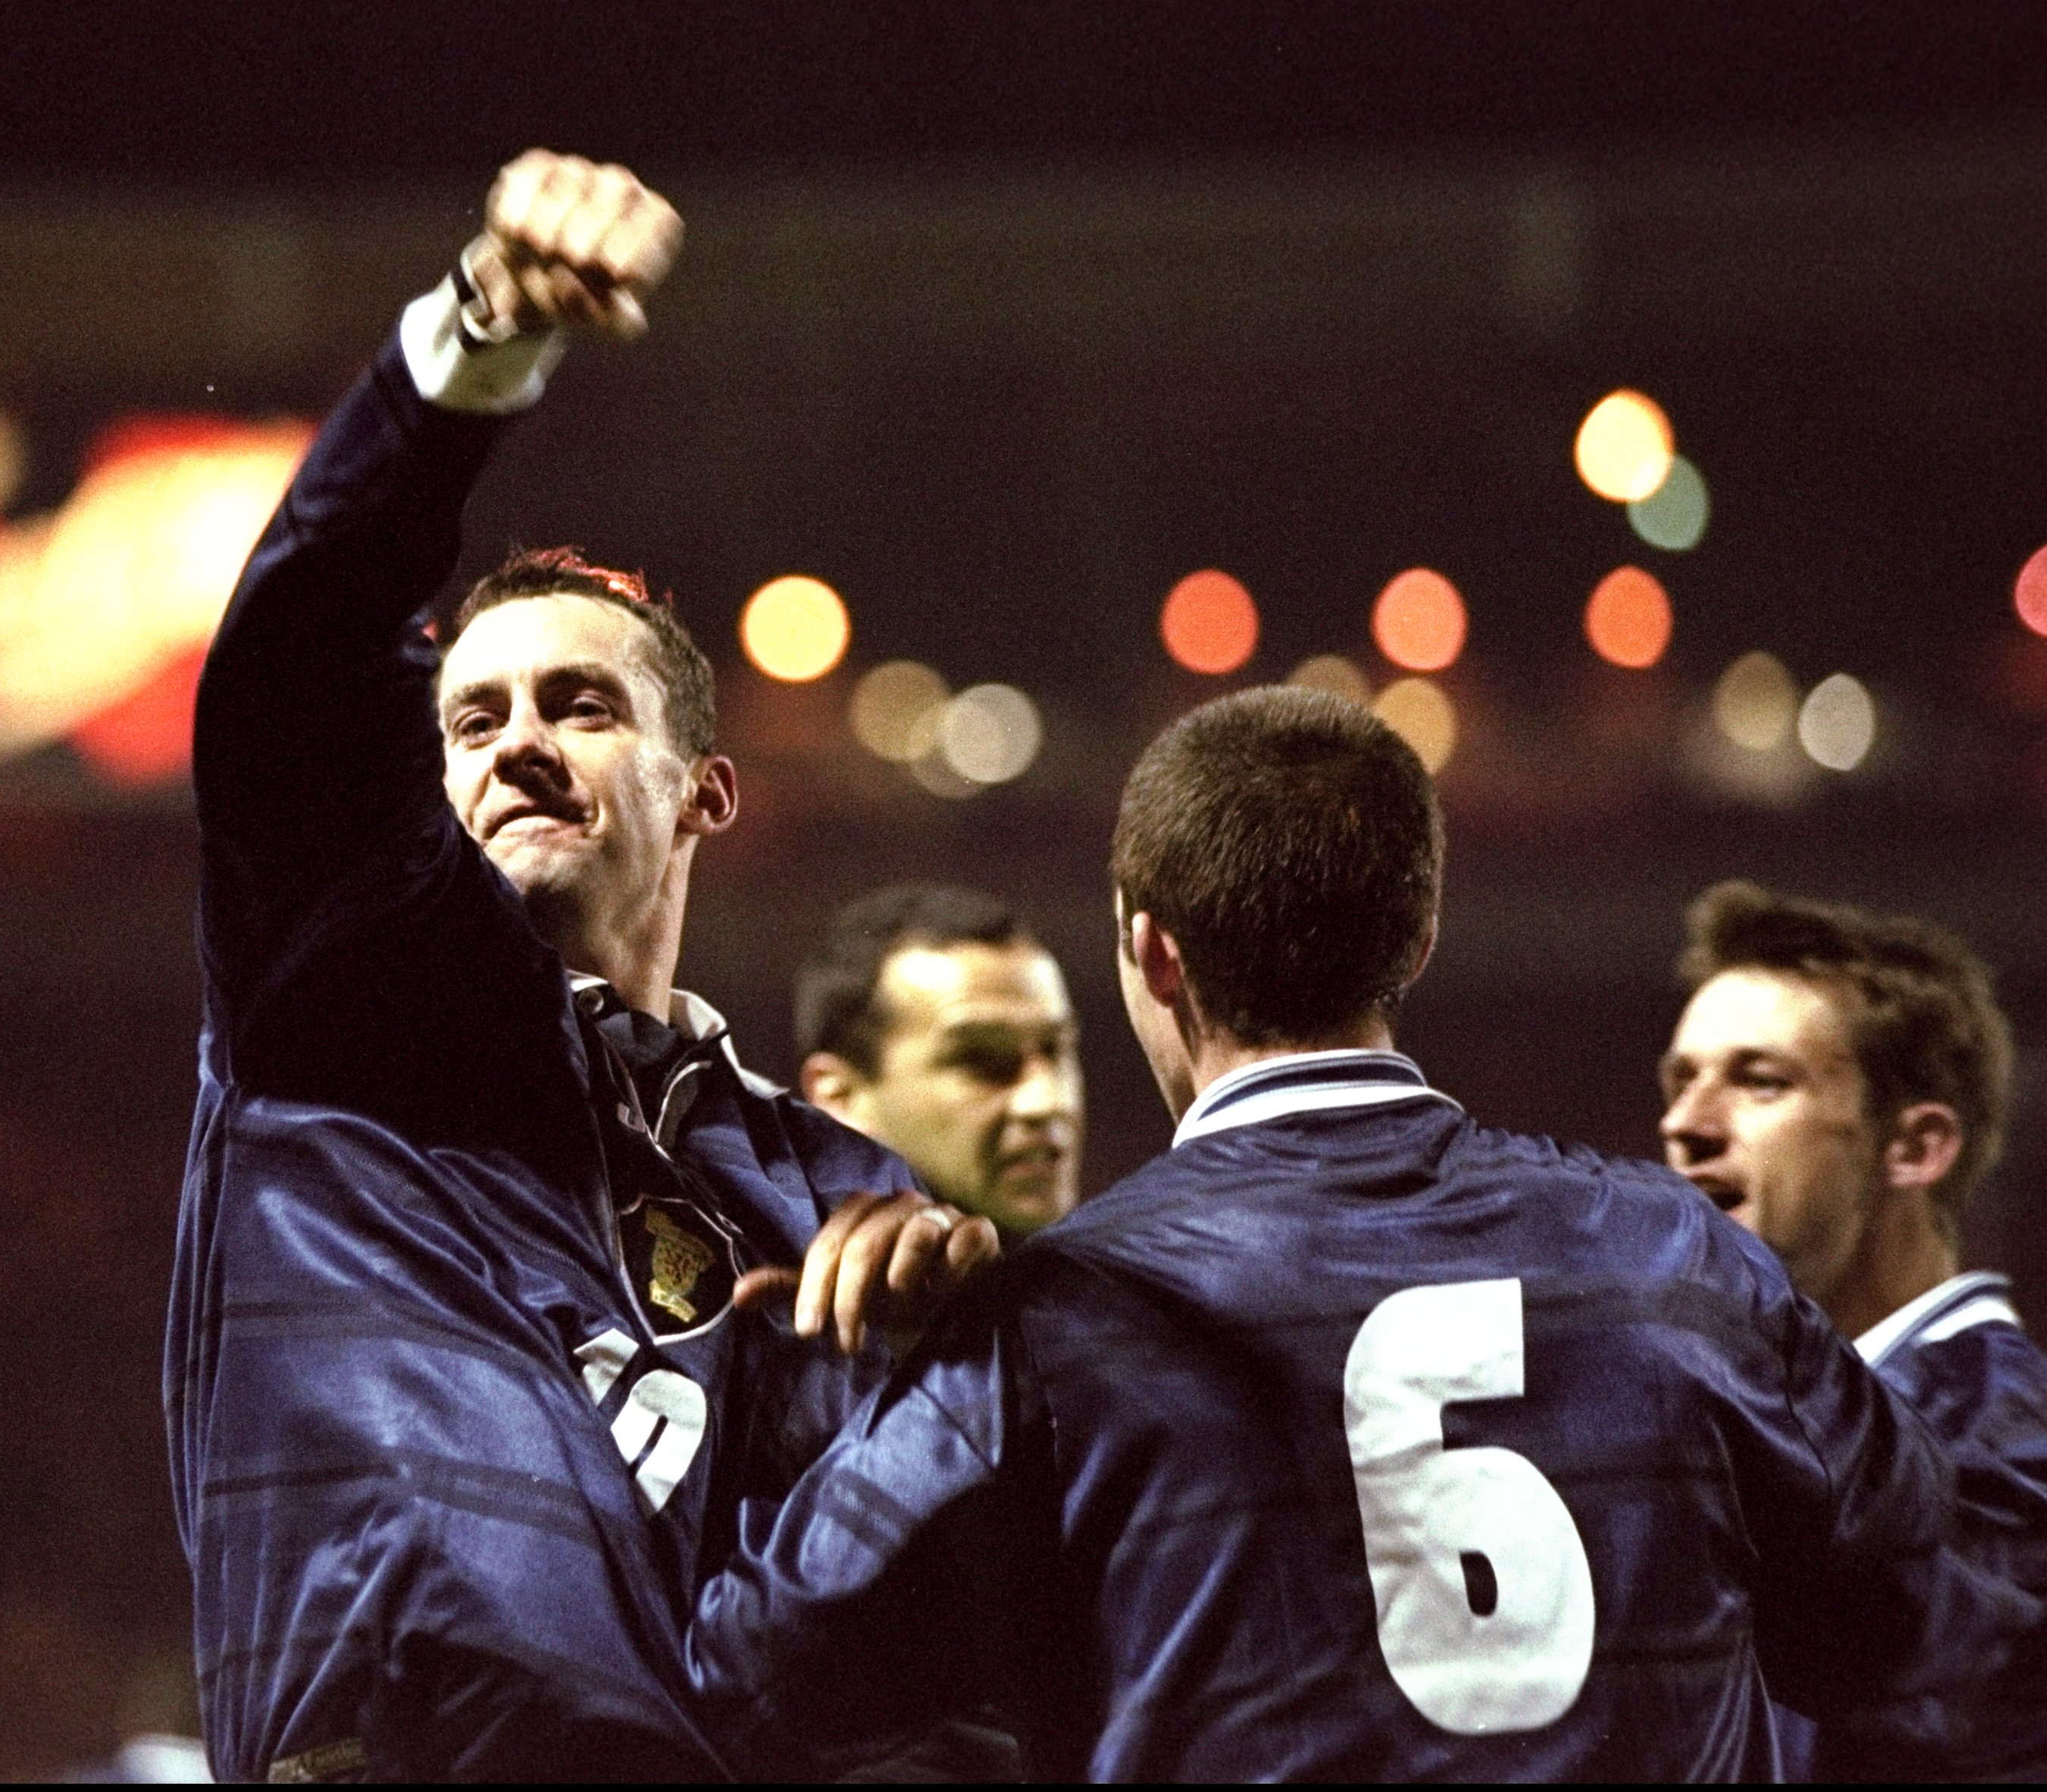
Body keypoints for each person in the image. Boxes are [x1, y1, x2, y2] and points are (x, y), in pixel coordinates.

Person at [687, 684, 2010, 1781]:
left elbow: (759, 1680)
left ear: (1150, 956)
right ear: (1419, 934)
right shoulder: (1681, 1256)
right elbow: (1900, 1614)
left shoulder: (1050, 1321)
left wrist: (853, 1384)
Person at [165, 149, 995, 1783]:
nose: (520, 748)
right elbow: (298, 670)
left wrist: (965, 1368)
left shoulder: (832, 1196)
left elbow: (881, 1645)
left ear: (707, 793)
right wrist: (478, 339)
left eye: (582, 707)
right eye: (474, 721)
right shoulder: (338, 1008)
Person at [1659, 881, 2047, 1779]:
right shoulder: (1762, 1423)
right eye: (1681, 1081)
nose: (1686, 1125)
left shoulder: (2007, 1455)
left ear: (1914, 1148)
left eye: (1760, 1081)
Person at [795, 882, 1084, 1239]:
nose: (1045, 1101)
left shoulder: (1144, 1285)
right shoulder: (771, 1286)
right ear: (841, 1096)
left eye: (1054, 1051)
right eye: (980, 1059)